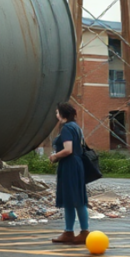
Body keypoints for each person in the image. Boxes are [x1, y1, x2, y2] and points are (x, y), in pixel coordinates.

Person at [49, 102, 90, 245]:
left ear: (62, 114)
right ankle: (73, 231)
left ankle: (76, 232)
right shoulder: (76, 127)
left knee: (71, 199)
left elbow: (68, 149)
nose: (56, 115)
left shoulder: (66, 128)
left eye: (57, 112)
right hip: (77, 164)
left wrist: (55, 156)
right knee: (77, 198)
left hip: (69, 165)